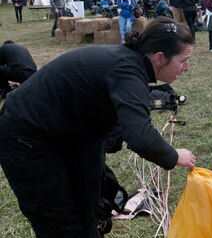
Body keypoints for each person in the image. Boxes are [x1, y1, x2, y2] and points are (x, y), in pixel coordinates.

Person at [0, 17, 196, 238]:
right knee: (60, 221)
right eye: (183, 60)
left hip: (68, 134)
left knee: (89, 206)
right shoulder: (127, 72)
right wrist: (173, 155)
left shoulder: (130, 65)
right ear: (160, 58)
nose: (186, 67)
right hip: (26, 136)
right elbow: (140, 136)